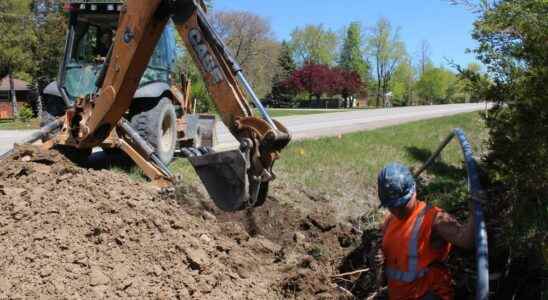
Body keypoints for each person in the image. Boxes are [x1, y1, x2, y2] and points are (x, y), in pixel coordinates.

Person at [377, 162, 476, 300]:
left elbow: (467, 241)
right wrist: (376, 258)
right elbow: (389, 260)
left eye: (401, 204)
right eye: (392, 206)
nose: (397, 210)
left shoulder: (434, 218)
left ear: (414, 191)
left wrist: (475, 212)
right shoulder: (389, 222)